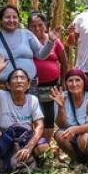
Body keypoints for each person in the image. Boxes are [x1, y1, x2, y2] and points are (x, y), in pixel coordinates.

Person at [0, 54, 48, 173]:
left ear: (28, 85)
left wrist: (29, 147)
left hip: (24, 139)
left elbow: (40, 126)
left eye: (22, 78)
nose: (19, 80)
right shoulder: (0, 95)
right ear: (8, 85)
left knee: (44, 147)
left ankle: (35, 165)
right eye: (15, 77)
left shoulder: (33, 100)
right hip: (3, 141)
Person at [0, 5, 57, 87]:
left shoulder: (27, 34)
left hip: (27, 87)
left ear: (18, 19)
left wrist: (50, 41)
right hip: (0, 87)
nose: (11, 20)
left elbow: (41, 55)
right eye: (7, 17)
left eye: (15, 17)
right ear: (1, 20)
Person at [29, 11, 68, 141]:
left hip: (51, 84)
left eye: (40, 25)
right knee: (35, 114)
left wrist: (62, 80)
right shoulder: (26, 41)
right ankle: (34, 143)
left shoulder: (54, 41)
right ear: (28, 27)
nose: (37, 28)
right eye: (33, 26)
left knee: (49, 115)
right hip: (32, 85)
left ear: (45, 25)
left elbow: (64, 61)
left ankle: (46, 145)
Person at [51, 68, 88, 163]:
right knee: (59, 134)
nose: (74, 84)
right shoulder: (61, 97)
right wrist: (61, 107)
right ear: (66, 83)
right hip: (71, 133)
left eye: (77, 80)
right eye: (70, 81)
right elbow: (61, 125)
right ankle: (76, 161)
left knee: (84, 137)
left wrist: (75, 129)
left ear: (83, 82)